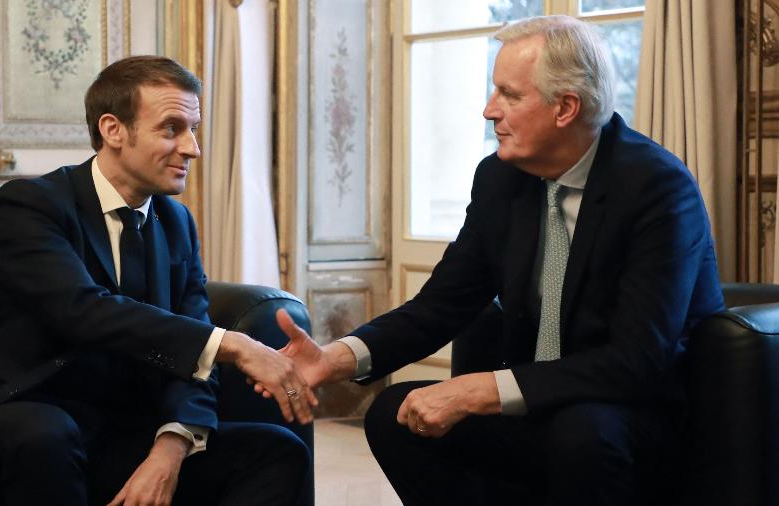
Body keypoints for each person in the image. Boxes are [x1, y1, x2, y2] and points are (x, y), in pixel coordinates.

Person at [272, 15, 724, 506]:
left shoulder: (655, 187)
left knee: (580, 433)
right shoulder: (500, 179)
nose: (490, 110)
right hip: (539, 404)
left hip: (633, 414)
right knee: (395, 414)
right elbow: (441, 305)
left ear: (565, 108)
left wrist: (479, 390)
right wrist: (336, 357)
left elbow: (637, 360)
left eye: (509, 95)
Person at [0, 55, 315, 506]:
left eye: (194, 129)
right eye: (172, 128)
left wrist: (171, 447)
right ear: (113, 130)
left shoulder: (176, 223)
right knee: (45, 434)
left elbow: (191, 359)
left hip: (117, 429)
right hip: (19, 415)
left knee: (277, 451)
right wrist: (235, 345)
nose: (192, 148)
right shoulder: (32, 205)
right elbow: (83, 311)